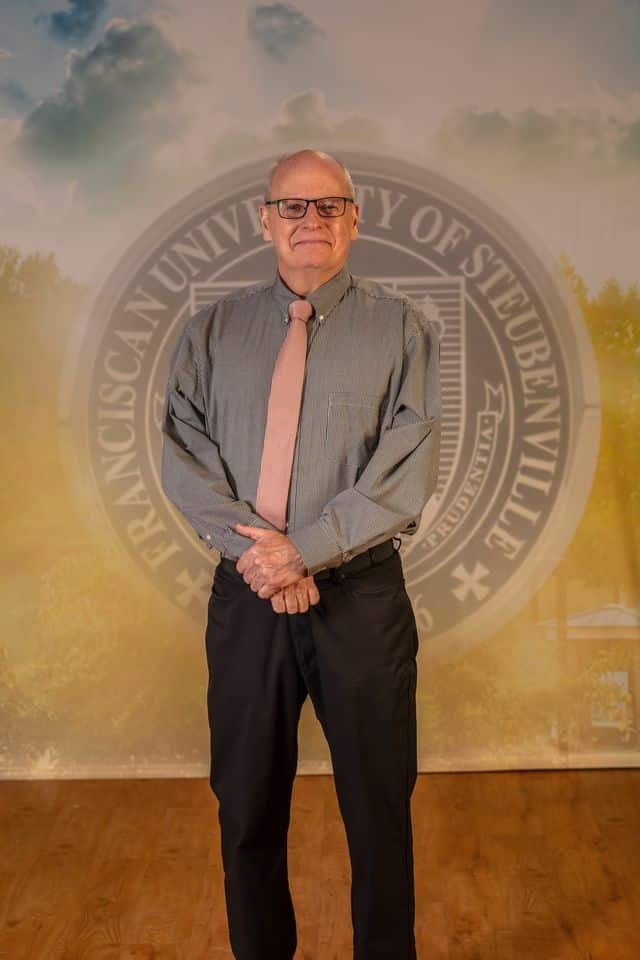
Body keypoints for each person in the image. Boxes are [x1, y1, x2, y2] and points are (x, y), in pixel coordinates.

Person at [161, 148, 441, 960]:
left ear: (355, 219)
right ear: (265, 220)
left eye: (328, 206)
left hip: (361, 601)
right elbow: (185, 456)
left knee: (378, 814)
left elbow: (404, 471)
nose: (310, 221)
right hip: (247, 600)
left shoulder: (402, 331)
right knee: (246, 809)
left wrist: (303, 553)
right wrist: (264, 560)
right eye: (293, 206)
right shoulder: (211, 333)